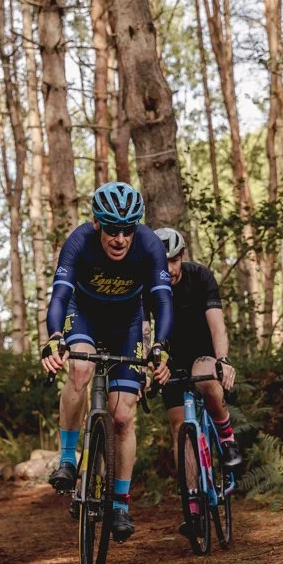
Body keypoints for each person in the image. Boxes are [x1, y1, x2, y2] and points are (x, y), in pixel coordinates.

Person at [40, 181, 173, 543]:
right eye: (112, 229)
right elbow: (60, 295)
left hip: (127, 323)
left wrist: (160, 346)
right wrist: (55, 338)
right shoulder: (79, 241)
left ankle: (121, 504)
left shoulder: (148, 246)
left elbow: (162, 301)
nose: (119, 238)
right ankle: (68, 458)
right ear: (97, 224)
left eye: (127, 229)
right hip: (82, 314)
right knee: (81, 369)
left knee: (123, 416)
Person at [151, 228, 242, 484]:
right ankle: (192, 506)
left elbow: (217, 326)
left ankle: (227, 439)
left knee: (208, 380)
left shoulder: (201, 277)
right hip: (169, 359)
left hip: (201, 353)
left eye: (174, 260)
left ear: (182, 256)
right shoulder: (148, 285)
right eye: (161, 262)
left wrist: (222, 359)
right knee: (180, 429)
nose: (168, 268)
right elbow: (144, 329)